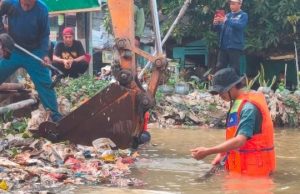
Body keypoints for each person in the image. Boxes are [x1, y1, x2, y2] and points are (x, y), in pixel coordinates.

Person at [191, 68, 275, 176]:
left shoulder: (248, 108)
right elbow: (234, 137)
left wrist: (208, 151)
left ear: (233, 87)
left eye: (221, 91)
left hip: (256, 173)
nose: (219, 95)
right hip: (243, 170)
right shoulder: (238, 104)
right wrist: (222, 154)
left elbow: (240, 141)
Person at [0, 0, 62, 122]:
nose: (26, 6)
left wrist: (45, 54)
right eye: (23, 3)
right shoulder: (10, 3)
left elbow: (45, 34)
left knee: (45, 83)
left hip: (35, 51)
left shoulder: (42, 9)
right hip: (14, 49)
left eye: (29, 4)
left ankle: (56, 118)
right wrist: (2, 33)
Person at [213, 0, 248, 75]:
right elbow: (220, 29)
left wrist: (226, 21)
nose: (231, 6)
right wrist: (216, 24)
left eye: (233, 4)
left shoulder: (243, 15)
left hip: (234, 46)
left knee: (234, 68)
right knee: (219, 66)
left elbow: (240, 26)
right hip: (223, 46)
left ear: (240, 4)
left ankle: (235, 86)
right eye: (230, 4)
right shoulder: (227, 15)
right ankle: (219, 85)